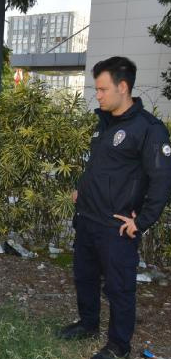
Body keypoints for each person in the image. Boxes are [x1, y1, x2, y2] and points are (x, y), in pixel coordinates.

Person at [57, 56, 171, 359]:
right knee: (84, 277)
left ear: (123, 87)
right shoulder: (104, 124)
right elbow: (102, 167)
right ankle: (88, 324)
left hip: (116, 226)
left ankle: (119, 345)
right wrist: (81, 189)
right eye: (97, 89)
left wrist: (142, 221)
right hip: (88, 219)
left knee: (120, 289)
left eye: (103, 89)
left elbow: (161, 180)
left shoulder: (149, 129)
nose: (99, 94)